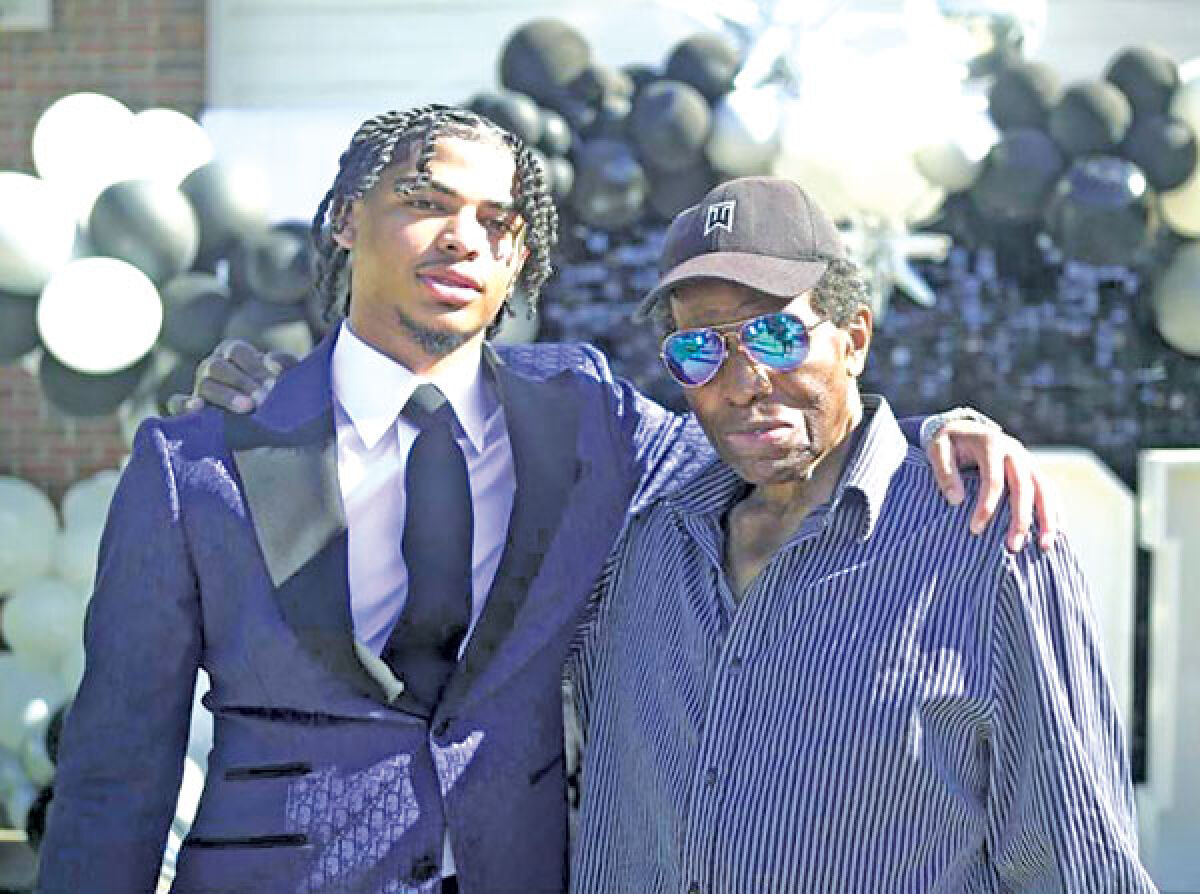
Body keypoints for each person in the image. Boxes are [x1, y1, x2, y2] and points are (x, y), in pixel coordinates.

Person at [38, 105, 1053, 894]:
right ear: (347, 219)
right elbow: (114, 773)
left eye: (499, 222)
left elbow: (769, 436)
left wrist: (926, 437)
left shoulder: (589, 417)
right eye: (427, 201)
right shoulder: (198, 462)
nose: (463, 240)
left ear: (522, 258)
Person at [567, 176, 1154, 893]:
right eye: (699, 350)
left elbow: (1076, 855)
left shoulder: (982, 539)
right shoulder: (640, 542)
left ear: (854, 340)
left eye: (775, 335)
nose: (743, 381)